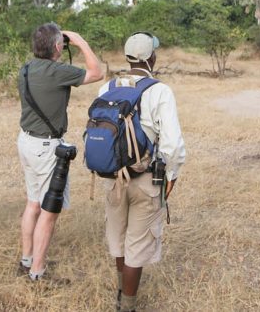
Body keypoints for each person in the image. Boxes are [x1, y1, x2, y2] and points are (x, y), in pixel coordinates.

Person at [102, 32, 186, 312]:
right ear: (151, 57)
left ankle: (119, 291)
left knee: (119, 239)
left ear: (126, 57)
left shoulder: (107, 88)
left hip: (113, 178)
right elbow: (172, 145)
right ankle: (127, 305)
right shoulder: (160, 91)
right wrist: (171, 177)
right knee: (137, 244)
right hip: (146, 179)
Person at [17, 22, 105, 282]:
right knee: (49, 210)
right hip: (46, 148)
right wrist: (79, 41)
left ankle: (26, 259)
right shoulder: (57, 71)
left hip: (26, 141)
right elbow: (97, 72)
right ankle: (38, 272)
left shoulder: (26, 69)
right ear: (58, 46)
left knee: (33, 202)